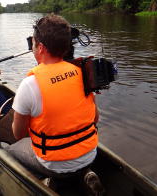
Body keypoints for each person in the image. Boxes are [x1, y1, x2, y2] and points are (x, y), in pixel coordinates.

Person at [6, 14, 100, 186]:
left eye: (33, 44)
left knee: (10, 151)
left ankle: (45, 180)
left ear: (40, 47)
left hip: (54, 164)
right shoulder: (83, 73)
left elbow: (18, 134)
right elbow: (95, 118)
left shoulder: (29, 84)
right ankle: (85, 173)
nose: (33, 48)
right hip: (90, 154)